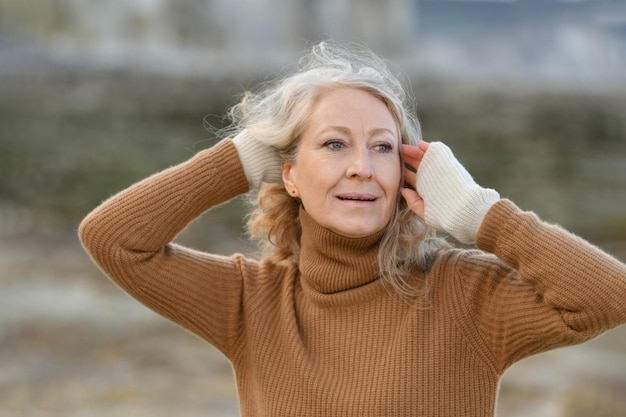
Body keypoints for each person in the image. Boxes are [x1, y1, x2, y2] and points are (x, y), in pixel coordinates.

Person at [79, 41, 626, 417]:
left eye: (383, 147)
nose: (363, 166)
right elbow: (113, 239)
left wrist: (482, 214)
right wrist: (240, 160)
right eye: (334, 143)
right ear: (288, 173)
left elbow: (609, 296)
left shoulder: (466, 294)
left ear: (407, 169)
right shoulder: (251, 303)